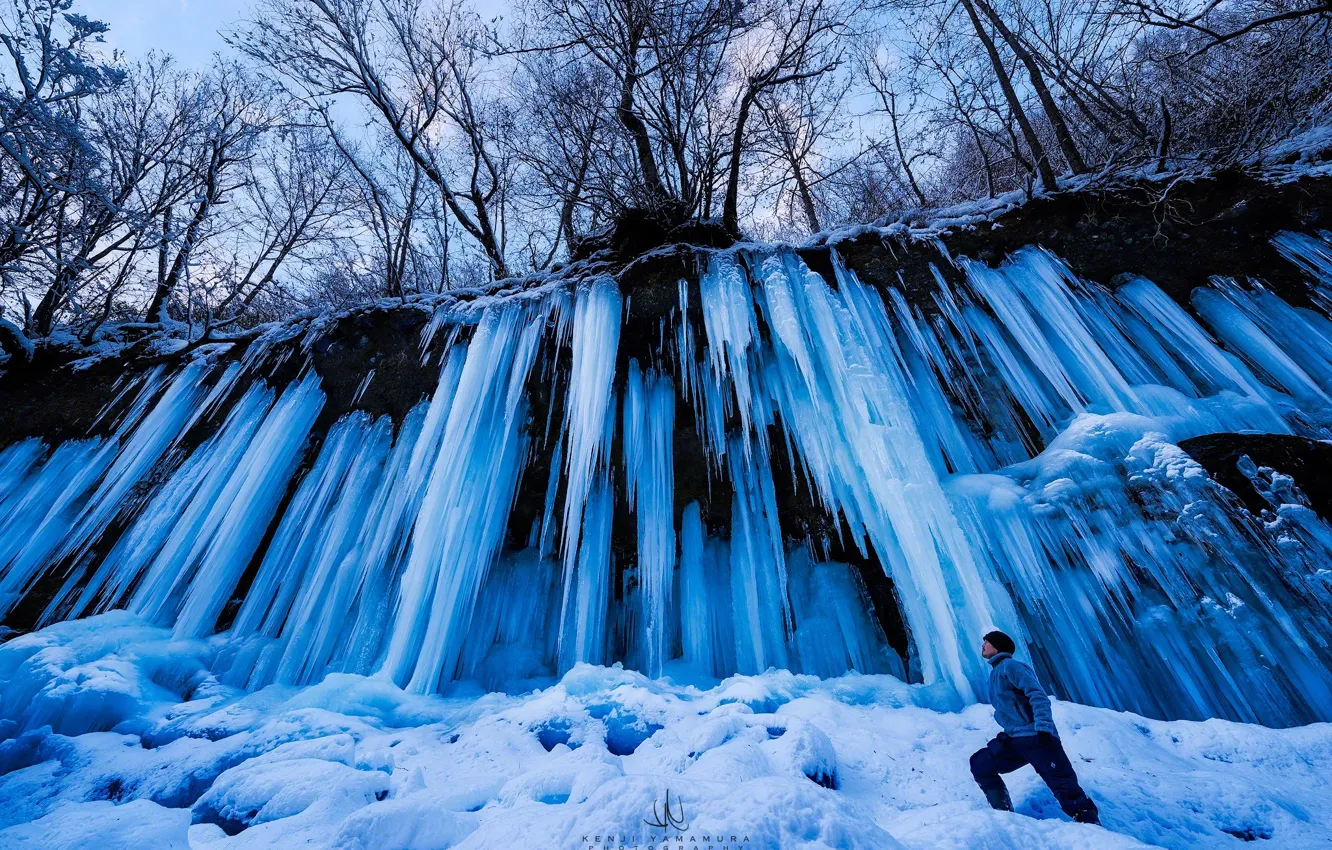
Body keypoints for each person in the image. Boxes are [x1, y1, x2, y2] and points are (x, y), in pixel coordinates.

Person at [969, 630, 1100, 825]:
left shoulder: (1010, 667)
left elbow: (1037, 695)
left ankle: (1091, 828)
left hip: (1036, 736)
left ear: (997, 647)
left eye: (986, 642)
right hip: (1015, 739)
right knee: (981, 763)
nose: (983, 646)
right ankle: (1004, 817)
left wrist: (1044, 729)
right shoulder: (997, 672)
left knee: (1063, 784)